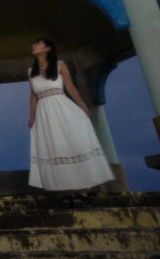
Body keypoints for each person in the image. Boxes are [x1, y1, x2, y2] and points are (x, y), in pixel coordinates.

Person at [27, 37, 113, 202]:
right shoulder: (31, 71)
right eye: (34, 44)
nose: (34, 46)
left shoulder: (59, 65)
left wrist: (82, 105)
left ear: (48, 48)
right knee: (55, 147)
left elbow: (70, 87)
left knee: (71, 145)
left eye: (38, 44)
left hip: (62, 108)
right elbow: (32, 97)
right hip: (44, 113)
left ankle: (82, 191)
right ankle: (64, 190)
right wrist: (32, 117)